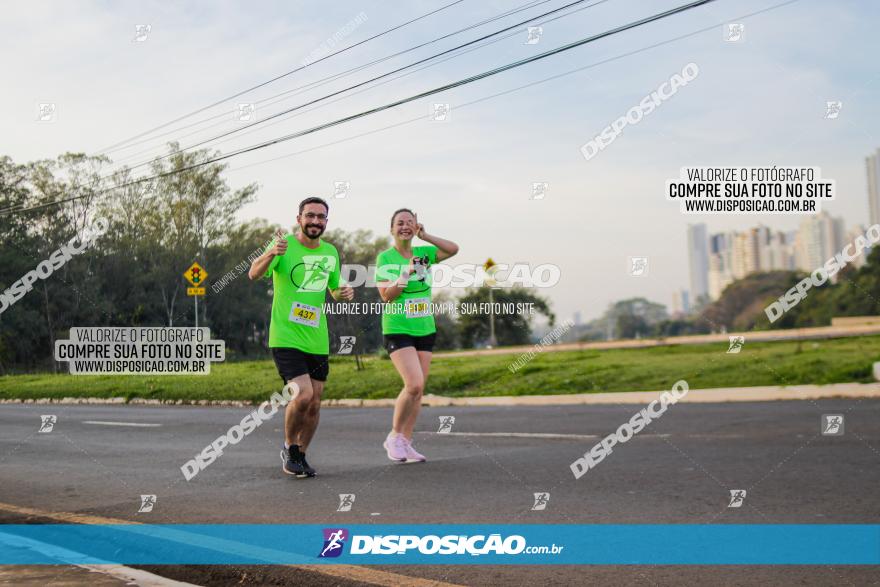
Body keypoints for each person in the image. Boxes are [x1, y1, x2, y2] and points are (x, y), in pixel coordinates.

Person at [248, 196, 354, 478]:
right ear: (299, 219)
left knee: (315, 401)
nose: (315, 221)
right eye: (310, 216)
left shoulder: (330, 252)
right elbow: (253, 273)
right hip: (285, 336)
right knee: (303, 394)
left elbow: (333, 289)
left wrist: (343, 292)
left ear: (326, 222)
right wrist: (272, 254)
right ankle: (288, 447)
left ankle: (300, 454)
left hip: (316, 338)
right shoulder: (283, 245)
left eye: (321, 217)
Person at [375, 209, 458, 462]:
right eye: (400, 223)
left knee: (418, 391)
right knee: (414, 384)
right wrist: (406, 272)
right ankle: (393, 436)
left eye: (410, 223)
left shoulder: (425, 253)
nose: (405, 226)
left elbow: (453, 249)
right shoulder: (385, 258)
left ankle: (405, 442)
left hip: (424, 327)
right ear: (391, 229)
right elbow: (386, 295)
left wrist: (426, 235)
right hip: (398, 327)